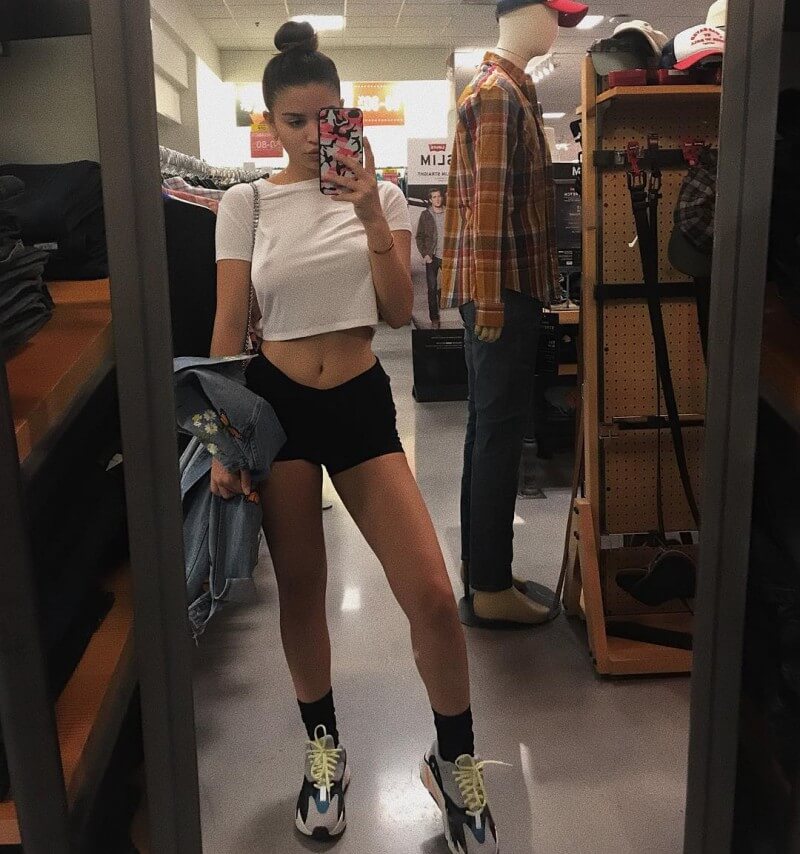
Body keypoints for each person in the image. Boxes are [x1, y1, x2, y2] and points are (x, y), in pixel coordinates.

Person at [211, 20, 501, 853]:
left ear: (348, 115)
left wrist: (370, 208)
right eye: (294, 121)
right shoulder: (245, 203)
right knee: (303, 590)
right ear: (269, 123)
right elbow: (229, 325)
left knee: (433, 595)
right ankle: (323, 751)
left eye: (326, 117)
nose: (312, 136)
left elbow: (398, 310)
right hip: (278, 406)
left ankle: (452, 761)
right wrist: (224, 439)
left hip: (361, 403)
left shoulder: (386, 196)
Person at [415, 187, 447, 329]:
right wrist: (425, 254)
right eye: (434, 197)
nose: (437, 199)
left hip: (448, 256)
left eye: (439, 196)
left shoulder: (449, 213)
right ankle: (434, 318)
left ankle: (463, 316)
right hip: (432, 257)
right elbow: (419, 236)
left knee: (454, 287)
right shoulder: (425, 215)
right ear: (430, 199)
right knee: (432, 288)